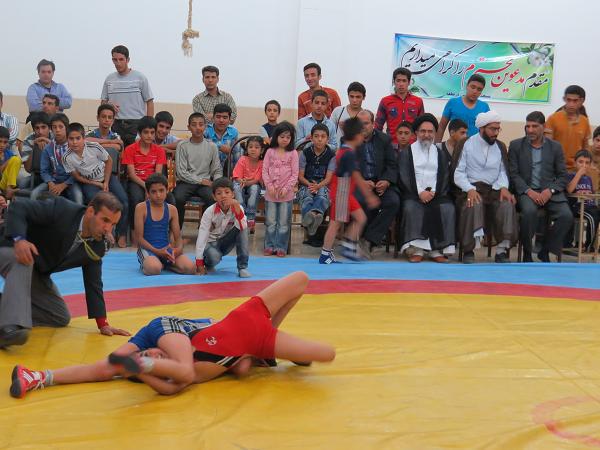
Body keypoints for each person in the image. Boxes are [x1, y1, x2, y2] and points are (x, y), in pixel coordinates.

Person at [10, 271, 335, 397]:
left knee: (109, 366)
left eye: (146, 356)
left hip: (184, 333)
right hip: (182, 330)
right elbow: (177, 381)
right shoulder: (191, 363)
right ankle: (40, 377)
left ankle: (39, 376)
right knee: (180, 369)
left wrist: (136, 367)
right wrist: (140, 367)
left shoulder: (228, 362)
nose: (150, 353)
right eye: (148, 358)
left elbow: (172, 385)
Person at [0, 192, 130, 348]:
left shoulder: (97, 246)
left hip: (35, 269)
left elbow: (93, 282)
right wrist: (20, 240)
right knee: (26, 258)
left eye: (113, 224)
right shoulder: (63, 209)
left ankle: (6, 313)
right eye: (105, 220)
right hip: (8, 247)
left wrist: (103, 323)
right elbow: (19, 206)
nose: (108, 229)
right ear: (90, 212)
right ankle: (8, 329)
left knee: (59, 316)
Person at [452, 111, 518, 264]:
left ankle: (502, 251)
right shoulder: (466, 143)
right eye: (492, 129)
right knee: (473, 203)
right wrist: (469, 189)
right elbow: (458, 172)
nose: (496, 133)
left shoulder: (500, 146)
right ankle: (469, 250)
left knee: (507, 204)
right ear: (481, 128)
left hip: (494, 189)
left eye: (498, 129)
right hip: (470, 189)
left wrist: (503, 187)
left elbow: (503, 171)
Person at [509, 111, 572, 262]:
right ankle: (527, 253)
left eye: (535, 126)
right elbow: (513, 174)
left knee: (566, 216)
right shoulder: (516, 145)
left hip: (549, 192)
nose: (530, 130)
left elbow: (563, 176)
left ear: (543, 127)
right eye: (528, 126)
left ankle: (545, 250)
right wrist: (528, 191)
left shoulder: (555, 147)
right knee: (529, 212)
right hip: (526, 192)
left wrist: (550, 190)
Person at [320, 117, 380, 264]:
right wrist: (369, 196)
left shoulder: (346, 150)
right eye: (362, 133)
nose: (363, 137)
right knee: (336, 223)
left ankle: (348, 246)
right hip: (342, 191)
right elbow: (356, 176)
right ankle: (326, 254)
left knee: (360, 218)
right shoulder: (348, 153)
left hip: (345, 191)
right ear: (357, 135)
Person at [397, 114, 455, 263]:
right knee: (412, 208)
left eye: (430, 131)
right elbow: (405, 175)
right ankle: (417, 250)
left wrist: (433, 192)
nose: (426, 135)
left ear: (435, 133)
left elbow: (443, 175)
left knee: (447, 208)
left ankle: (436, 250)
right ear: (416, 133)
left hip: (436, 193)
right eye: (423, 131)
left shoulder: (440, 153)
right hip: (413, 193)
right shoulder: (407, 152)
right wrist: (420, 192)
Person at [62, 122, 129, 247]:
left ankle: (122, 234)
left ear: (84, 138)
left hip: (107, 177)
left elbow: (109, 161)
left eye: (78, 138)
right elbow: (77, 177)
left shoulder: (94, 147)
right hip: (90, 183)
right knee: (99, 205)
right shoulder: (66, 157)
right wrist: (95, 184)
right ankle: (102, 234)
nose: (75, 142)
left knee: (124, 201)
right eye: (71, 139)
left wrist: (106, 182)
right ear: (67, 140)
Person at [354, 110, 401, 253]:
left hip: (381, 183)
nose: (362, 127)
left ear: (373, 124)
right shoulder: (350, 140)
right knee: (362, 202)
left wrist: (386, 180)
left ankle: (369, 240)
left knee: (393, 202)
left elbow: (392, 164)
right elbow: (349, 167)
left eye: (366, 123)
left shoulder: (384, 139)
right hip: (360, 183)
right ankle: (365, 240)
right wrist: (362, 182)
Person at [135, 174, 195, 275]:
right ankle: (153, 263)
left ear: (167, 190)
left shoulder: (172, 209)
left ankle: (166, 264)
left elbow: (178, 237)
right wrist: (157, 251)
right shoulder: (141, 208)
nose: (158, 195)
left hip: (166, 250)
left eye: (161, 190)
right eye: (153, 192)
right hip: (148, 249)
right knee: (153, 269)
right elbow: (139, 239)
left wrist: (178, 249)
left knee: (190, 268)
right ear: (148, 193)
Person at [173, 112, 222, 229]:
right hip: (186, 182)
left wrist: (217, 183)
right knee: (177, 198)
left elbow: (216, 169)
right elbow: (181, 172)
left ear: (205, 127)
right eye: (194, 125)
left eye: (201, 124)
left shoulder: (212, 146)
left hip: (205, 183)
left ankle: (204, 230)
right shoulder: (182, 145)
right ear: (189, 127)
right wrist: (200, 181)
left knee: (212, 198)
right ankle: (176, 230)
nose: (198, 128)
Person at [195, 177, 251, 278]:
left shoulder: (238, 207)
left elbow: (243, 227)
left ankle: (242, 267)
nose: (223, 196)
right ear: (214, 197)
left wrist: (237, 207)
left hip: (226, 242)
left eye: (227, 192)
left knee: (243, 228)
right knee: (214, 257)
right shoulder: (209, 211)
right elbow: (202, 237)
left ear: (233, 194)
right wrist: (199, 264)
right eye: (219, 193)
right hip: (211, 243)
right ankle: (208, 264)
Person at [121, 116, 167, 233]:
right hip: (136, 181)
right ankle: (135, 231)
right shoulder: (130, 149)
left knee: (170, 198)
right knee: (136, 198)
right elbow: (131, 174)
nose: (149, 136)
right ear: (139, 133)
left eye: (152, 132)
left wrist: (152, 189)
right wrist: (146, 187)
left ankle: (164, 232)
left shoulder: (159, 150)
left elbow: (158, 174)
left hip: (154, 182)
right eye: (146, 132)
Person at [101, 45, 154, 147]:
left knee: (136, 154)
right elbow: (103, 103)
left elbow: (149, 101)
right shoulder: (109, 79)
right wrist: (108, 105)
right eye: (115, 60)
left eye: (121, 59)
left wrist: (148, 126)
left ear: (128, 60)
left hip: (137, 124)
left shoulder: (140, 77)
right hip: (116, 124)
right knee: (118, 153)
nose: (118, 63)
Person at [262, 121, 299, 257]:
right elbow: (265, 171)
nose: (285, 139)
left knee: (283, 223)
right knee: (271, 222)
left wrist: (287, 188)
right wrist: (269, 186)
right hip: (271, 194)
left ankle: (281, 247)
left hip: (286, 195)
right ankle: (269, 246)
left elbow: (295, 174)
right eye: (282, 136)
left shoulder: (293, 153)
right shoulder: (270, 152)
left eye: (288, 137)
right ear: (276, 137)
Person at [32, 113, 83, 204]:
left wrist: (63, 185)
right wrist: (50, 183)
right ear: (51, 129)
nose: (57, 130)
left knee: (78, 196)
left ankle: (78, 214)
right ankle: (33, 213)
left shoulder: (74, 146)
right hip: (53, 181)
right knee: (35, 194)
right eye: (54, 127)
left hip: (70, 182)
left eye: (61, 127)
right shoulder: (48, 148)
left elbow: (79, 170)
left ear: (66, 128)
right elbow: (44, 171)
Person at [297, 123, 336, 238]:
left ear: (327, 139)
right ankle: (315, 216)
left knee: (322, 196)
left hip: (323, 185)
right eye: (316, 136)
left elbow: (328, 178)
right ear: (311, 138)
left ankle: (310, 216)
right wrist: (310, 185)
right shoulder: (305, 153)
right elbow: (300, 176)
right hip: (306, 184)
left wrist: (318, 186)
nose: (319, 139)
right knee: (307, 197)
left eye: (323, 137)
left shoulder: (331, 155)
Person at [544, 85, 591, 171]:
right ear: (564, 99)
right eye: (568, 100)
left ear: (582, 101)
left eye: (575, 101)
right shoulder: (553, 118)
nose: (571, 104)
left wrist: (585, 167)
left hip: (576, 169)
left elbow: (586, 147)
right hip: (556, 168)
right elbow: (547, 145)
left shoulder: (585, 121)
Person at [374, 68, 424, 145]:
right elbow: (378, 126)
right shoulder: (385, 101)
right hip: (391, 145)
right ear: (394, 82)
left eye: (404, 81)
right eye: (398, 80)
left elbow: (422, 126)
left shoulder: (418, 101)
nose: (401, 84)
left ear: (409, 82)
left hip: (412, 146)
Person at [436, 74, 490, 142]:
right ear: (467, 86)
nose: (475, 91)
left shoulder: (484, 107)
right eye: (473, 87)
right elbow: (441, 127)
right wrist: (436, 146)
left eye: (479, 89)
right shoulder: (453, 103)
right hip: (455, 146)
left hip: (475, 147)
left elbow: (488, 131)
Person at [566, 150, 599, 251]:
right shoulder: (570, 176)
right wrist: (578, 175)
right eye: (580, 162)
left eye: (587, 163)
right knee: (593, 217)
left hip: (590, 205)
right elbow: (569, 190)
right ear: (575, 163)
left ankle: (594, 246)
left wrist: (590, 195)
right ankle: (589, 247)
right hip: (578, 207)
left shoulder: (589, 179)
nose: (584, 165)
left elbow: (592, 193)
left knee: (595, 213)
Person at [232, 136, 264, 234]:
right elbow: (236, 175)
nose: (253, 149)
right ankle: (241, 212)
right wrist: (241, 181)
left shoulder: (262, 163)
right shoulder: (243, 159)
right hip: (241, 182)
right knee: (236, 187)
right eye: (250, 147)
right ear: (246, 149)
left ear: (262, 150)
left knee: (254, 188)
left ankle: (250, 216)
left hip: (252, 184)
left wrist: (246, 182)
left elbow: (257, 179)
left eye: (256, 147)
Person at [18, 112, 52, 188]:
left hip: (54, 176)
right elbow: (28, 169)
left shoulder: (55, 138)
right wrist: (34, 147)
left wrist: (49, 143)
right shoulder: (28, 140)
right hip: (36, 175)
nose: (40, 132)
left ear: (49, 128)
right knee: (22, 184)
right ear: (33, 129)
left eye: (43, 127)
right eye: (37, 128)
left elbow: (59, 166)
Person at [204, 103, 239, 174]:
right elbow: (201, 146)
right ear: (213, 118)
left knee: (238, 150)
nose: (221, 120)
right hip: (208, 170)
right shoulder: (205, 130)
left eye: (225, 117)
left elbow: (236, 155)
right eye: (218, 117)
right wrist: (219, 146)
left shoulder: (234, 131)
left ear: (229, 119)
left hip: (227, 169)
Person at [330, 82, 366, 146]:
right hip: (338, 149)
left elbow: (367, 136)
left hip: (357, 150)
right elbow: (329, 131)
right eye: (351, 96)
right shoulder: (338, 111)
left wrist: (347, 128)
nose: (354, 100)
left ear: (363, 97)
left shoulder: (365, 116)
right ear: (348, 96)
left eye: (358, 97)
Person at [0, 127, 21, 198]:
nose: (2, 145)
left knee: (16, 159)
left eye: (5, 142)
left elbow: (12, 172)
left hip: (5, 184)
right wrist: (8, 162)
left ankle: (9, 188)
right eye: (0, 141)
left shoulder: (9, 153)